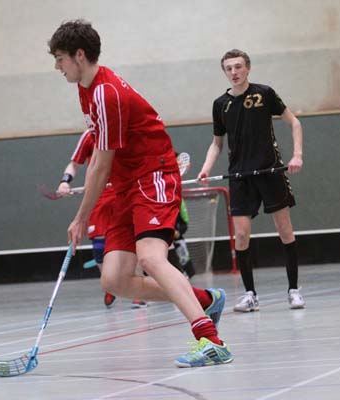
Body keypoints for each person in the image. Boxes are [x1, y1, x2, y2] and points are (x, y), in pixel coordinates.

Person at [49, 19, 232, 367]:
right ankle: (205, 300)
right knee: (115, 280)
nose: (57, 67)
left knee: (150, 258)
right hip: (125, 187)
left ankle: (210, 340)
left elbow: (100, 165)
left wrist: (81, 217)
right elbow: (101, 159)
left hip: (152, 177)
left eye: (60, 59)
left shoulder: (106, 93)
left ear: (79, 55)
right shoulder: (86, 89)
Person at [197, 49, 305, 312]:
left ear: (248, 68)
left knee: (285, 230)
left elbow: (294, 123)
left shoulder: (264, 93)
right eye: (229, 68)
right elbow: (217, 143)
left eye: (238, 67)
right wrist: (205, 168)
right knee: (242, 235)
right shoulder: (220, 104)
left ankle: (293, 290)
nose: (234, 72)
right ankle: (250, 295)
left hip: (270, 172)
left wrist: (297, 155)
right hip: (240, 177)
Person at [56, 129, 146, 309]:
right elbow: (74, 164)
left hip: (124, 194)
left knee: (131, 242)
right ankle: (110, 285)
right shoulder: (89, 135)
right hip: (98, 197)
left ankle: (138, 293)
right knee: (99, 245)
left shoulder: (124, 131)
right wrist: (65, 181)